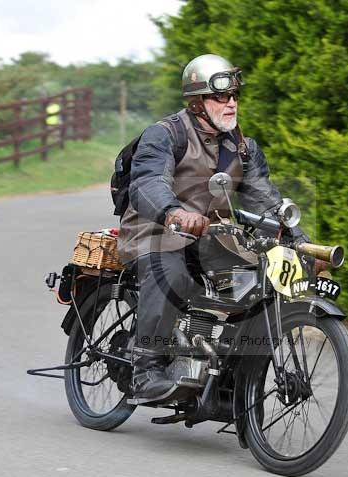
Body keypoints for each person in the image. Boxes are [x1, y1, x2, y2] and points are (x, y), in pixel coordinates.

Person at [117, 54, 309, 400]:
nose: (231, 103)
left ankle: (227, 373)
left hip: (211, 237)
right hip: (155, 232)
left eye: (234, 96)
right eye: (221, 96)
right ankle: (145, 367)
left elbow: (265, 200)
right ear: (197, 102)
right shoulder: (165, 135)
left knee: (256, 283)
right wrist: (173, 212)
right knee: (170, 275)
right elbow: (146, 183)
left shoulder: (244, 149)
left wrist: (301, 243)